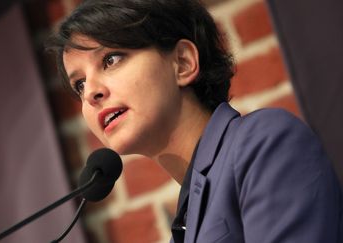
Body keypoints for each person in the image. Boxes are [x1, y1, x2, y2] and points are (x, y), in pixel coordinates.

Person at [46, 0, 343, 242]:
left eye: (111, 59)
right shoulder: (188, 215)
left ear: (183, 63)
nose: (91, 93)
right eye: (80, 84)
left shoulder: (264, 143)